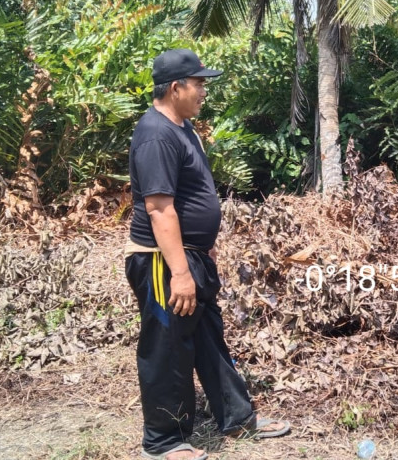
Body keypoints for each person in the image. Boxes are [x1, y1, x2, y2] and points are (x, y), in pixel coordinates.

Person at [124, 49, 290, 460]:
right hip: (163, 261)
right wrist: (180, 273)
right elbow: (159, 209)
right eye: (198, 84)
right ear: (176, 87)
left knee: (207, 337)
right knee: (167, 347)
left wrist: (199, 256)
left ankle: (236, 418)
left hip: (189, 257)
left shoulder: (182, 127)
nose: (203, 91)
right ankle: (163, 441)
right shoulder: (156, 135)